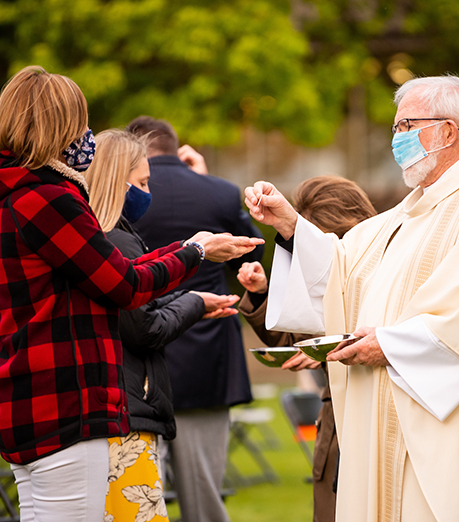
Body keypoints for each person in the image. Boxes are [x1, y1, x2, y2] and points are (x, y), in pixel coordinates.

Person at [244, 75, 459, 522]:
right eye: (396, 128)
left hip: (449, 421)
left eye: (405, 126)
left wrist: (392, 345)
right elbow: (343, 269)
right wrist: (289, 224)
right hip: (390, 409)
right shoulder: (407, 212)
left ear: (449, 131)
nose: (396, 139)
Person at [0, 66, 263, 522]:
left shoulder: (15, 193)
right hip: (68, 403)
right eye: (78, 122)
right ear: (57, 126)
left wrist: (188, 249)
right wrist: (196, 252)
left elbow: (108, 270)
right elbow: (124, 286)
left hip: (30, 400)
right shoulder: (45, 196)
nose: (86, 135)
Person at [86, 129, 245, 522]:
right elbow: (142, 325)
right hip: (130, 401)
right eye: (141, 183)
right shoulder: (117, 240)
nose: (147, 192)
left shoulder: (101, 237)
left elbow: (141, 295)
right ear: (117, 179)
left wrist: (192, 301)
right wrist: (194, 300)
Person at [127, 116, 264, 522]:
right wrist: (210, 184)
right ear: (176, 146)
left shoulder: (115, 197)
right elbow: (251, 251)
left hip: (138, 357)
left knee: (134, 495)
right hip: (207, 354)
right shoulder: (220, 192)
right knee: (203, 497)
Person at [237, 175, 377, 522]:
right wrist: (262, 294)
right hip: (333, 425)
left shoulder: (379, 267)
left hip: (373, 420)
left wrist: (332, 348)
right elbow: (294, 338)